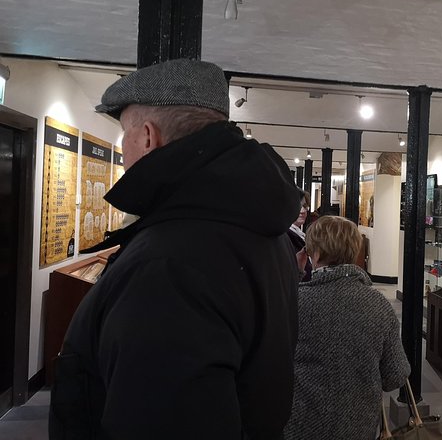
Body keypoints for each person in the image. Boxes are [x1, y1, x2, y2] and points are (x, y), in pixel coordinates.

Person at [49, 58, 302, 440]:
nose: (123, 150)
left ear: (147, 137)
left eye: (125, 135)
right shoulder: (260, 229)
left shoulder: (169, 264)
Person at [284, 215, 410, 440]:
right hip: (358, 426)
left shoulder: (294, 302)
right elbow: (395, 376)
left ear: (315, 254)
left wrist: (294, 275)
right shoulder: (378, 304)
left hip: (300, 424)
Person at [288, 190, 312, 281]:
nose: (303, 211)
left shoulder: (299, 233)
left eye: (305, 206)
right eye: (298, 206)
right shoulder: (286, 235)